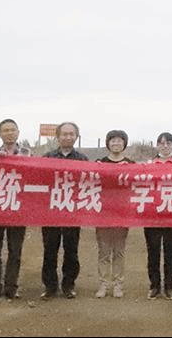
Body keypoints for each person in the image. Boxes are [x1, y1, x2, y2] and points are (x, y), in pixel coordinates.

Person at [40, 121, 89, 300]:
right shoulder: (47, 158)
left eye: (71, 134)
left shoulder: (82, 159)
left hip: (72, 212)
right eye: (64, 134)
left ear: (76, 137)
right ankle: (50, 286)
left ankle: (69, 285)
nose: (68, 137)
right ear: (58, 136)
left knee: (71, 250)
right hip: (51, 211)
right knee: (50, 250)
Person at [0, 118, 31, 300]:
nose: (9, 133)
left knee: (15, 251)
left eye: (12, 130)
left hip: (18, 208)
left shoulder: (28, 154)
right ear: (0, 134)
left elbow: (34, 176)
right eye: (6, 130)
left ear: (18, 133)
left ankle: (12, 287)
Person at [94, 129, 134, 299]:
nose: (116, 143)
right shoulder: (99, 163)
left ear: (124, 144)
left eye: (119, 140)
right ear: (108, 143)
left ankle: (118, 285)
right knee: (103, 251)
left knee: (119, 251)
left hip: (122, 214)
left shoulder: (131, 164)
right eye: (113, 140)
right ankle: (103, 284)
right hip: (103, 213)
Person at [144, 131, 172, 300]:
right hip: (152, 214)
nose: (165, 146)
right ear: (157, 146)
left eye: (168, 143)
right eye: (161, 143)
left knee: (171, 252)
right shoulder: (149, 165)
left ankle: (169, 286)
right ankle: (154, 286)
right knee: (153, 251)